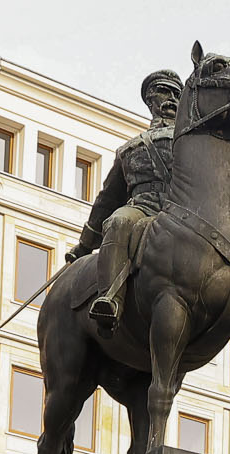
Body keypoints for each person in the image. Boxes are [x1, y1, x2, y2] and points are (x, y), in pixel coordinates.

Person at [69, 70, 183, 329]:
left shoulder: (191, 142)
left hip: (181, 209)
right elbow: (107, 199)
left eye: (177, 94)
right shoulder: (130, 149)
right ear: (150, 100)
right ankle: (110, 299)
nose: (172, 98)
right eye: (164, 91)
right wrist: (84, 245)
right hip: (142, 207)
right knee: (117, 221)